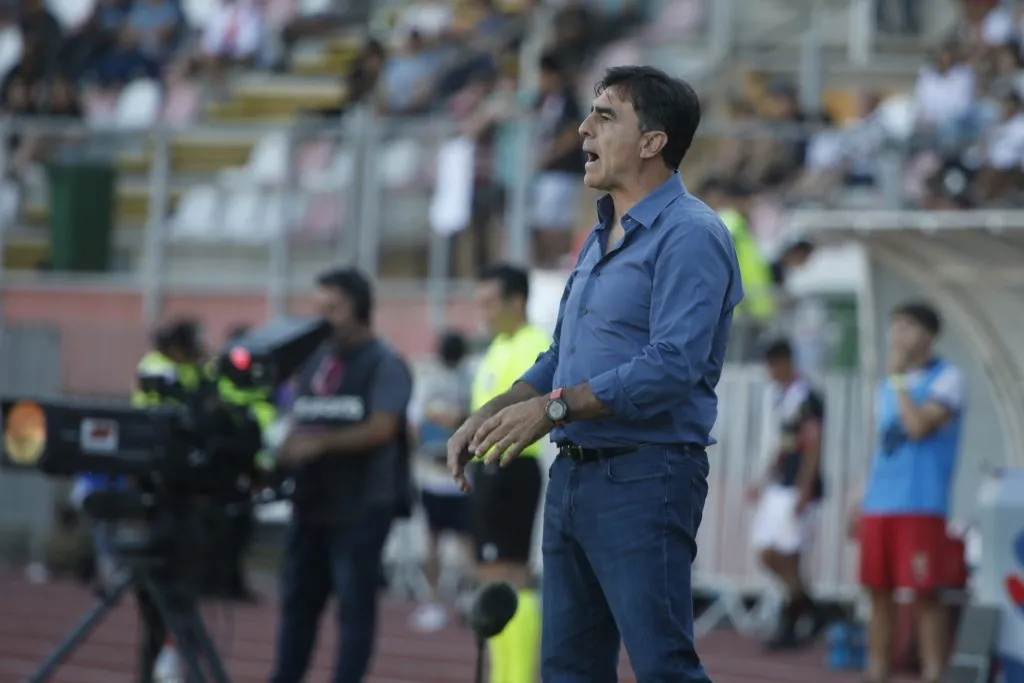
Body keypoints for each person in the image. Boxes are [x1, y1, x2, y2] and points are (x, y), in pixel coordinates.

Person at [448, 65, 743, 683]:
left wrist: (552, 410)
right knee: (568, 671)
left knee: (664, 667)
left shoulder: (692, 234)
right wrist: (493, 411)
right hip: (574, 478)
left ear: (652, 141)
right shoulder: (598, 234)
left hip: (646, 475)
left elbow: (672, 366)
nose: (583, 128)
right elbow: (563, 354)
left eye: (605, 115)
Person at [269, 267, 413, 683]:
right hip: (312, 501)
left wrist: (321, 443)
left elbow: (383, 427)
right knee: (297, 602)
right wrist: (285, 450)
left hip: (362, 505)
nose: (322, 318)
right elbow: (298, 418)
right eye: (318, 308)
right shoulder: (313, 360)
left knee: (353, 606)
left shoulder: (385, 363)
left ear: (360, 309)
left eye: (332, 309)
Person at [850, 302, 965, 683]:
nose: (898, 334)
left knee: (925, 596)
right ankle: (876, 672)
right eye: (895, 325)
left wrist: (899, 380)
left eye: (908, 326)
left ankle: (934, 674)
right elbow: (881, 445)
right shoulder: (886, 385)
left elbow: (917, 427)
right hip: (879, 505)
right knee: (877, 594)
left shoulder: (948, 378)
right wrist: (859, 497)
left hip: (920, 504)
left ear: (928, 335)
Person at [467, 264, 549, 683]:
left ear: (516, 301)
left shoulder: (535, 345)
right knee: (490, 577)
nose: (482, 311)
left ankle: (516, 679)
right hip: (489, 470)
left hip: (513, 466)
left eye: (489, 302)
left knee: (510, 577)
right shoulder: (497, 346)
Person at [747, 338, 826, 651]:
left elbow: (813, 442)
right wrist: (764, 478)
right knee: (769, 552)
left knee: (787, 554)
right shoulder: (784, 396)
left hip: (796, 486)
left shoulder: (806, 395)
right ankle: (809, 608)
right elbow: (784, 443)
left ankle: (793, 620)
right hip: (781, 483)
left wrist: (806, 485)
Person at [408, 330, 475, 633]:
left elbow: (474, 413)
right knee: (433, 542)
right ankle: (434, 602)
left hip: (461, 474)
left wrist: (455, 416)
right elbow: (418, 419)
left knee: (466, 544)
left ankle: (468, 599)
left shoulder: (470, 378)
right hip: (432, 474)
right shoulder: (429, 379)